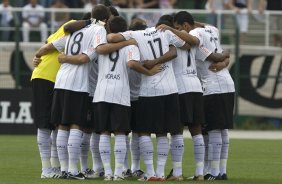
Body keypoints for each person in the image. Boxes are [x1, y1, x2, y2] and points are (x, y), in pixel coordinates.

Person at [107, 16, 186, 181]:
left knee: (143, 131)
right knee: (163, 132)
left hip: (149, 90)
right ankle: (161, 173)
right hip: (170, 88)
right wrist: (158, 59)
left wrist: (147, 61)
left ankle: (150, 173)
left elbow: (112, 37)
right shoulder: (162, 31)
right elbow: (178, 49)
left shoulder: (135, 35)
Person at [157, 11, 231, 181]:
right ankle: (199, 172)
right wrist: (226, 56)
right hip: (196, 87)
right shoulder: (194, 40)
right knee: (197, 131)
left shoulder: (169, 37)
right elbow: (213, 54)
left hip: (180, 88)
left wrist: (169, 29)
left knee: (176, 131)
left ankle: (177, 172)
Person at [31, 18, 76, 178]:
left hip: (56, 80)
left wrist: (39, 54)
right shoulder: (71, 30)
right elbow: (48, 46)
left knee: (57, 123)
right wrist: (37, 54)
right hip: (45, 78)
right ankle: (46, 169)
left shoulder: (60, 34)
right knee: (45, 124)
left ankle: (55, 167)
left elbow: (47, 44)